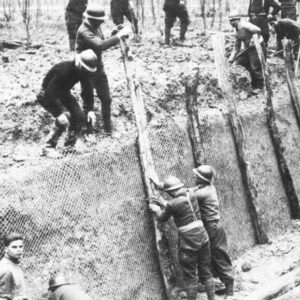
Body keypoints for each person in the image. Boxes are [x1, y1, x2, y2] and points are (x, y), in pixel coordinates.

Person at [150, 176, 215, 300]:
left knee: (190, 277)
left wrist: (157, 209)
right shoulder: (191, 192)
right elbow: (175, 203)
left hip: (189, 241)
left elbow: (162, 217)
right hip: (203, 236)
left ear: (172, 192)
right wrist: (161, 188)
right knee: (206, 272)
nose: (168, 194)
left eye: (169, 193)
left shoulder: (172, 204)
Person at [76, 5, 132, 134]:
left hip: (98, 67)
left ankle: (108, 130)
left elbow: (100, 39)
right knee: (88, 102)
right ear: (92, 19)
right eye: (100, 20)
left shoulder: (95, 27)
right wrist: (118, 36)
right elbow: (100, 45)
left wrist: (114, 32)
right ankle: (88, 132)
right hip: (86, 70)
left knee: (106, 99)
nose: (102, 22)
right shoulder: (84, 31)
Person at [37, 50, 97, 155]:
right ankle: (48, 147)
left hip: (63, 93)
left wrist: (90, 110)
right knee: (64, 118)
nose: (86, 72)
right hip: (46, 94)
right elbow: (49, 93)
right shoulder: (63, 70)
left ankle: (69, 146)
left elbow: (87, 90)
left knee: (79, 116)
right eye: (85, 69)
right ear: (79, 63)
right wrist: (59, 113)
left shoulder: (82, 71)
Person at [192, 165, 234, 298]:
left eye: (197, 176)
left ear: (202, 179)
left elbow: (186, 195)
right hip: (211, 227)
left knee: (219, 256)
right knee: (210, 256)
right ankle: (221, 285)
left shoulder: (202, 193)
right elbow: (191, 190)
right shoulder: (207, 187)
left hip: (212, 228)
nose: (195, 177)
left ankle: (230, 290)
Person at [228, 13, 266, 95]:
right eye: (230, 21)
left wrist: (253, 39)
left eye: (234, 20)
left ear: (238, 20)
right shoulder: (235, 30)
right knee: (241, 61)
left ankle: (260, 87)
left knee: (255, 66)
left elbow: (258, 29)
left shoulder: (244, 25)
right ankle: (252, 84)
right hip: (248, 48)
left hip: (257, 46)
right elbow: (236, 46)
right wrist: (231, 57)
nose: (232, 22)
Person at [0, 232, 28, 300]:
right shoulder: (6, 269)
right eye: (14, 247)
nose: (18, 250)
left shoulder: (14, 263)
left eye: (20, 246)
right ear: (6, 249)